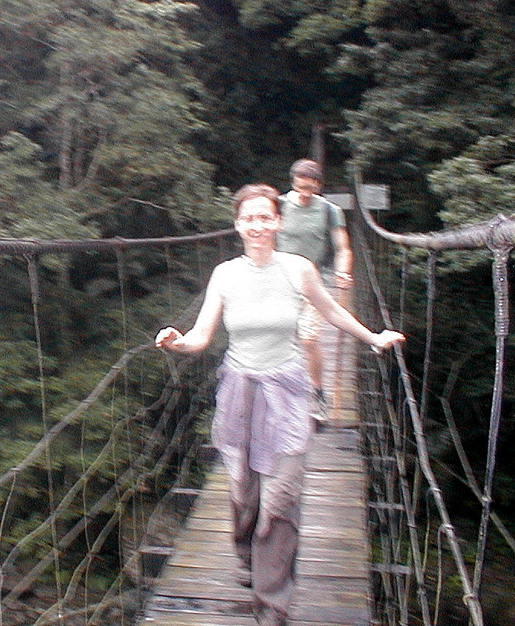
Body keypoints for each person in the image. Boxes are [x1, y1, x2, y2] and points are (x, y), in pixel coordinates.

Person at [154, 184, 403, 626]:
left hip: (288, 390)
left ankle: (273, 606)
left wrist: (373, 337)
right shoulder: (225, 275)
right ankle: (246, 553)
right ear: (237, 224)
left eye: (265, 217)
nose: (257, 225)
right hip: (239, 391)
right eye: (248, 217)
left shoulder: (299, 269)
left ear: (278, 221)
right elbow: (202, 335)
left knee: (280, 498)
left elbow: (332, 312)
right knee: (243, 493)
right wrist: (177, 342)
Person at [276, 159, 353, 423]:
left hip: (311, 284)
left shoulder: (330, 211)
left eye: (311, 185)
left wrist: (343, 271)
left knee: (307, 340)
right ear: (293, 182)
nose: (305, 190)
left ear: (319, 185)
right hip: (277, 282)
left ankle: (318, 393)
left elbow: (343, 248)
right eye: (300, 184)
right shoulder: (278, 205)